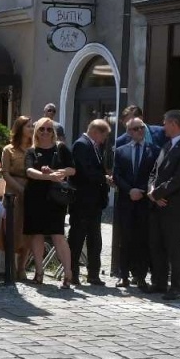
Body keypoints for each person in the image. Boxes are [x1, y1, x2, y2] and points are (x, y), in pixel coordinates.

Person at [147, 110, 180, 300]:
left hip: (173, 205)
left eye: (165, 123)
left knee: (174, 246)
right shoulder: (166, 145)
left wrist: (158, 193)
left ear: (174, 124)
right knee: (156, 244)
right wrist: (152, 192)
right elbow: (154, 172)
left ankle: (176, 286)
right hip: (157, 203)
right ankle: (159, 282)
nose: (163, 126)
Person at [23, 117, 75, 290]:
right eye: (42, 129)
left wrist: (56, 172)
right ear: (36, 131)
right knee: (36, 234)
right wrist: (47, 176)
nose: (45, 132)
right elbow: (29, 171)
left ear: (53, 132)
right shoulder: (31, 150)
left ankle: (68, 273)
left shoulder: (60, 148)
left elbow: (72, 169)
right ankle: (39, 271)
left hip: (56, 197)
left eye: (49, 129)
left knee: (58, 235)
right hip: (35, 196)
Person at [112, 118, 159, 291]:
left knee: (142, 240)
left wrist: (143, 191)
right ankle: (123, 276)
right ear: (129, 132)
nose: (140, 131)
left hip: (145, 202)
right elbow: (117, 175)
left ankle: (140, 277)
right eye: (136, 129)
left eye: (142, 128)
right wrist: (129, 190)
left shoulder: (154, 150)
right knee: (125, 240)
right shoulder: (121, 151)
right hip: (126, 201)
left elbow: (155, 175)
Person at [66, 119, 113, 286]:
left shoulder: (94, 146)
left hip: (94, 202)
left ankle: (93, 274)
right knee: (77, 237)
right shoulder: (81, 145)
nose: (104, 140)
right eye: (104, 136)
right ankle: (72, 273)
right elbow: (84, 170)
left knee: (95, 238)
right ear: (96, 132)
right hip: (82, 200)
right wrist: (104, 178)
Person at [0, 116, 34, 279]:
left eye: (32, 126)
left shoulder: (34, 149)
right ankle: (11, 267)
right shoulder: (8, 149)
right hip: (13, 193)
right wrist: (19, 188)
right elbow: (5, 172)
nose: (32, 129)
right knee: (12, 229)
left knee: (27, 230)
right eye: (29, 126)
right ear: (20, 128)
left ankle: (22, 267)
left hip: (31, 192)